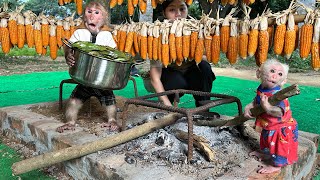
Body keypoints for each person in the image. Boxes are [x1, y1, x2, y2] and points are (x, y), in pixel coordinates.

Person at [57, 2, 119, 133]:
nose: (92, 16)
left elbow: (114, 53)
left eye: (97, 13)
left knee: (110, 102)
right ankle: (70, 121)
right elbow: (68, 46)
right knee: (73, 102)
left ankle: (112, 120)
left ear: (103, 18)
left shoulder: (107, 35)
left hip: (102, 81)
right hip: (84, 79)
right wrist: (68, 54)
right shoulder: (79, 33)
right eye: (89, 12)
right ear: (84, 17)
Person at [150, 0, 216, 107]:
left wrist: (193, 50)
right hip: (171, 74)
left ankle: (203, 108)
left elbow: (207, 58)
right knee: (178, 82)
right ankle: (168, 107)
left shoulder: (197, 30)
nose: (178, 14)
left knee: (205, 67)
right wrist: (167, 106)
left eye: (182, 9)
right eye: (172, 10)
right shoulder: (157, 34)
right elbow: (155, 77)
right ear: (164, 13)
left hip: (192, 73)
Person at [243, 59, 298, 174]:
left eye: (280, 74)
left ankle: (276, 165)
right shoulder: (262, 88)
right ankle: (266, 153)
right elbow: (255, 101)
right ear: (260, 73)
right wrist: (249, 107)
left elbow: (280, 112)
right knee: (266, 140)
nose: (275, 76)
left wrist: (267, 107)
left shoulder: (278, 95)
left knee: (278, 146)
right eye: (272, 71)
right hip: (268, 124)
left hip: (279, 127)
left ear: (283, 81)